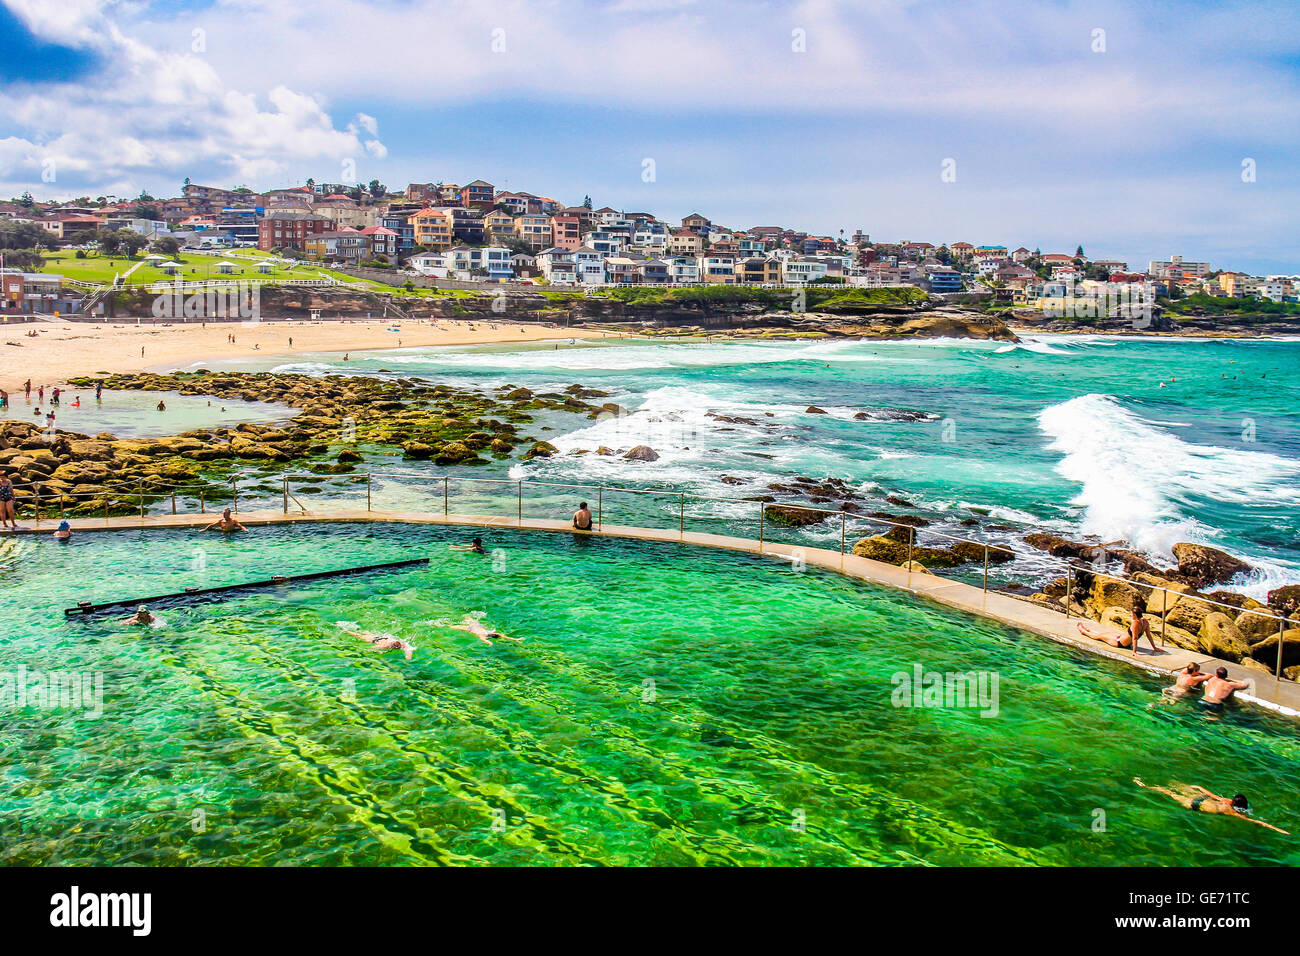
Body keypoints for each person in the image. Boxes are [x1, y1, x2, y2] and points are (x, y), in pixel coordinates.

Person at [1134, 779, 1289, 834]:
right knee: (1169, 793)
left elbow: (1214, 796)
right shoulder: (1232, 812)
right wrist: (1277, 829)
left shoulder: (1228, 801)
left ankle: (1146, 784)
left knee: (1173, 786)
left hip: (1201, 798)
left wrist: (1200, 788)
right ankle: (1144, 786)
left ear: (1235, 801)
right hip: (1195, 805)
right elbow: (1258, 822)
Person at [337, 621, 415, 661]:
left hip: (378, 637)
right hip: (372, 640)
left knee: (364, 633)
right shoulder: (385, 646)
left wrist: (408, 656)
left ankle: (352, 627)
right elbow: (373, 648)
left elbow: (409, 649)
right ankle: (346, 631)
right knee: (359, 636)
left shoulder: (400, 643)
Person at [443, 613, 522, 647]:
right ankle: (441, 625)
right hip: (470, 628)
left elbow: (504, 636)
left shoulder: (488, 632)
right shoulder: (482, 635)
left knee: (470, 620)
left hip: (477, 626)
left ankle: (466, 616)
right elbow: (485, 640)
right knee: (452, 627)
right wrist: (490, 643)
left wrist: (516, 639)